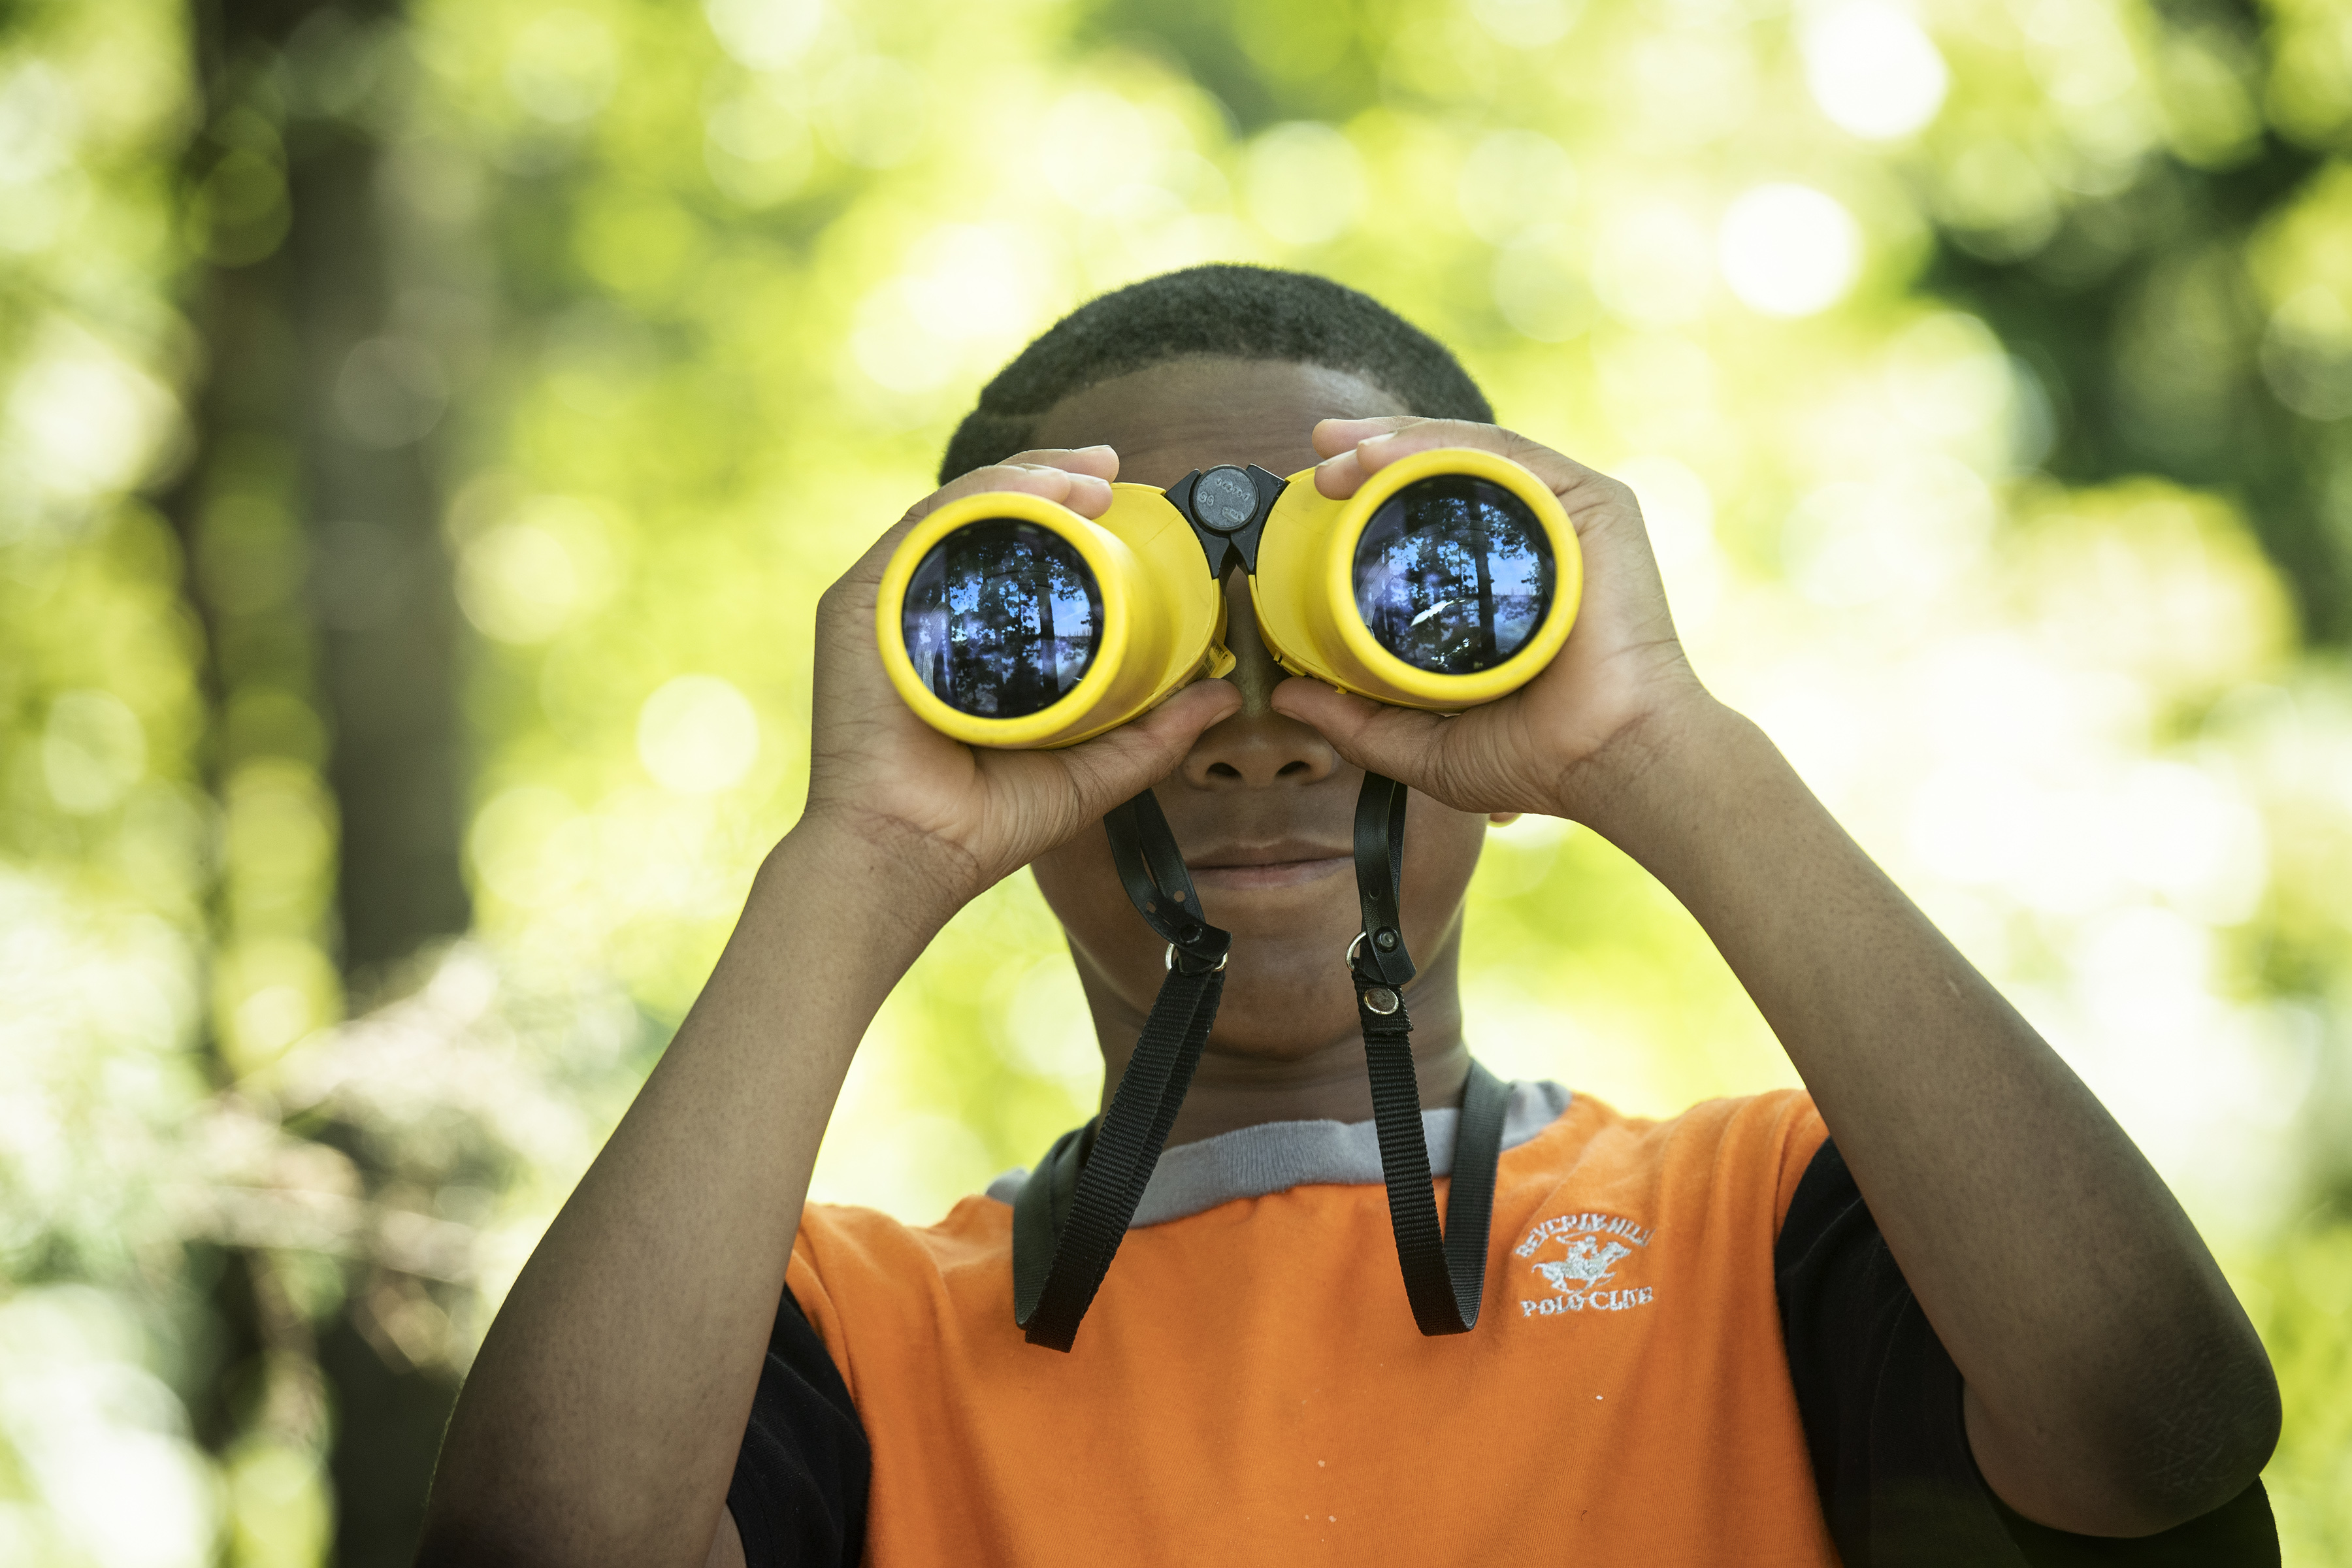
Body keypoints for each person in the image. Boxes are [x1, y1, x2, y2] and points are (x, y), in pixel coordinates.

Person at [416, 265, 2282, 1567]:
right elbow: (543, 1547)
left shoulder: (1774, 1221)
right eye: (1133, 662)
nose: (1246, 743)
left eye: (1344, 636)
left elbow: (2153, 1434)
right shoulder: (842, 1325)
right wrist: (857, 857)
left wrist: (1662, 746)